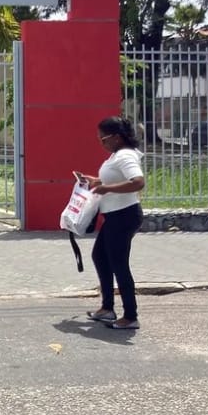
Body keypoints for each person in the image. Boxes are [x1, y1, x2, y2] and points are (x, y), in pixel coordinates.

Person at [81, 116, 146, 330]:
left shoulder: (125, 155)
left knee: (119, 264)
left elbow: (137, 182)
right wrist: (96, 182)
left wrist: (107, 189)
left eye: (103, 139)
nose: (102, 143)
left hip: (124, 215)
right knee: (100, 256)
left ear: (117, 138)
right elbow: (113, 179)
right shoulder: (116, 155)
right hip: (116, 215)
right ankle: (107, 308)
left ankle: (130, 316)